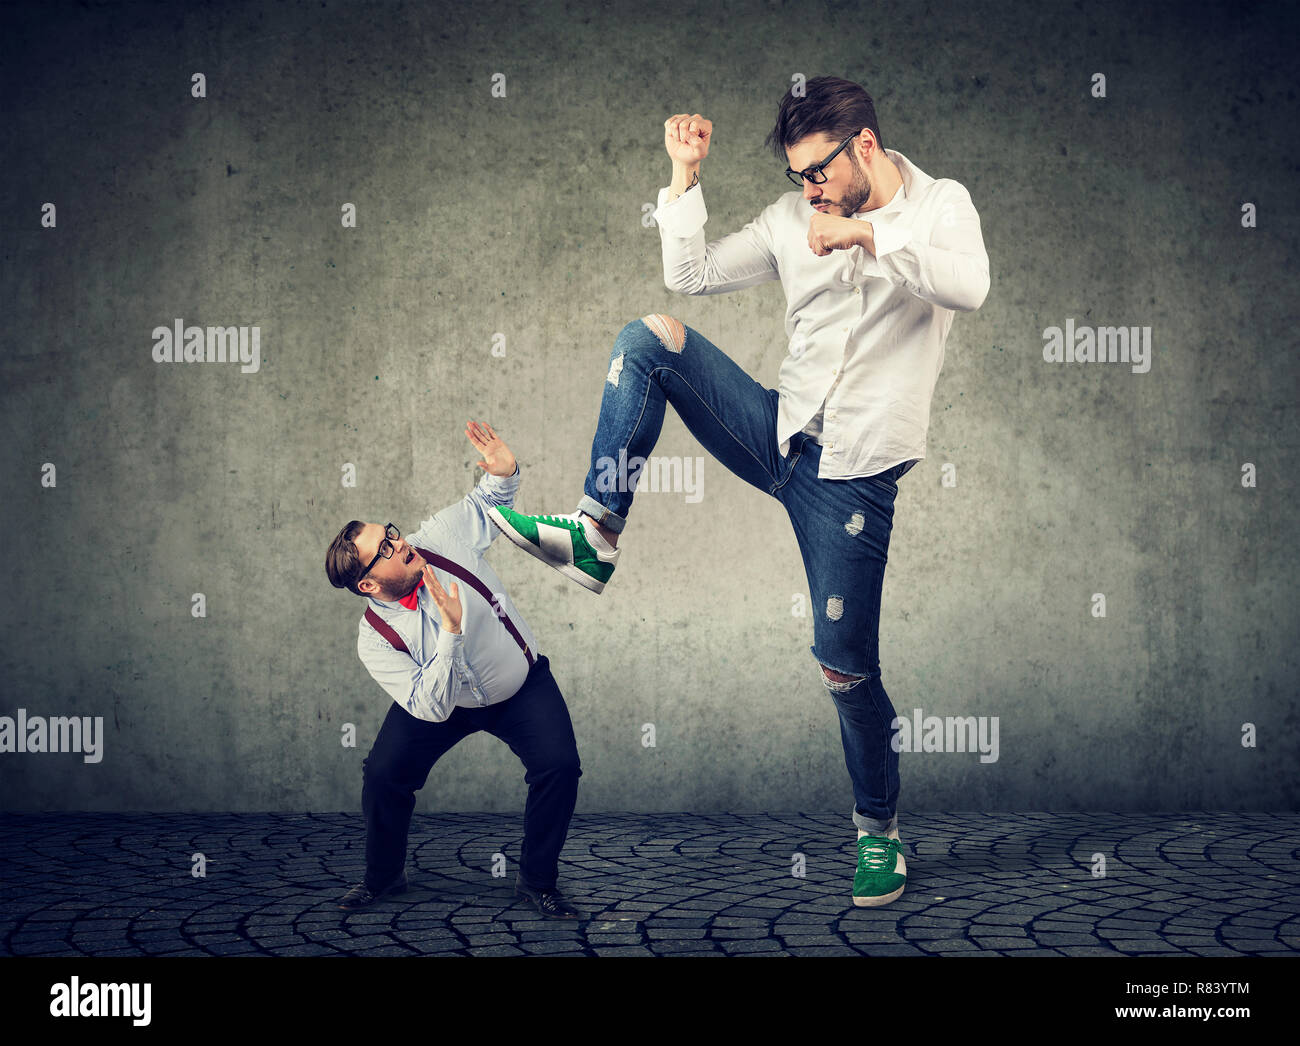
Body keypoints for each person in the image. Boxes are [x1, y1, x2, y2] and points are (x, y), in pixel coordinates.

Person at [489, 77, 989, 907]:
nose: (808, 192)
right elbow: (692, 273)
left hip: (852, 476)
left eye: (818, 173)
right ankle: (595, 530)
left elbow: (968, 285)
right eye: (797, 177)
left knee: (845, 668)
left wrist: (864, 234)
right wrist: (684, 178)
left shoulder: (940, 208)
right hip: (776, 432)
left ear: (864, 144)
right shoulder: (795, 216)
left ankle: (879, 836)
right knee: (649, 338)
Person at [325, 420, 584, 919]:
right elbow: (431, 706)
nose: (399, 544)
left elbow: (488, 502)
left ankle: (537, 882)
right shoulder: (374, 641)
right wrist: (450, 633)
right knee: (383, 775)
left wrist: (506, 470)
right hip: (443, 700)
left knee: (559, 767)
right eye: (383, 550)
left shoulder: (440, 536)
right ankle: (383, 878)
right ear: (367, 586)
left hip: (520, 685)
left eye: (391, 534)